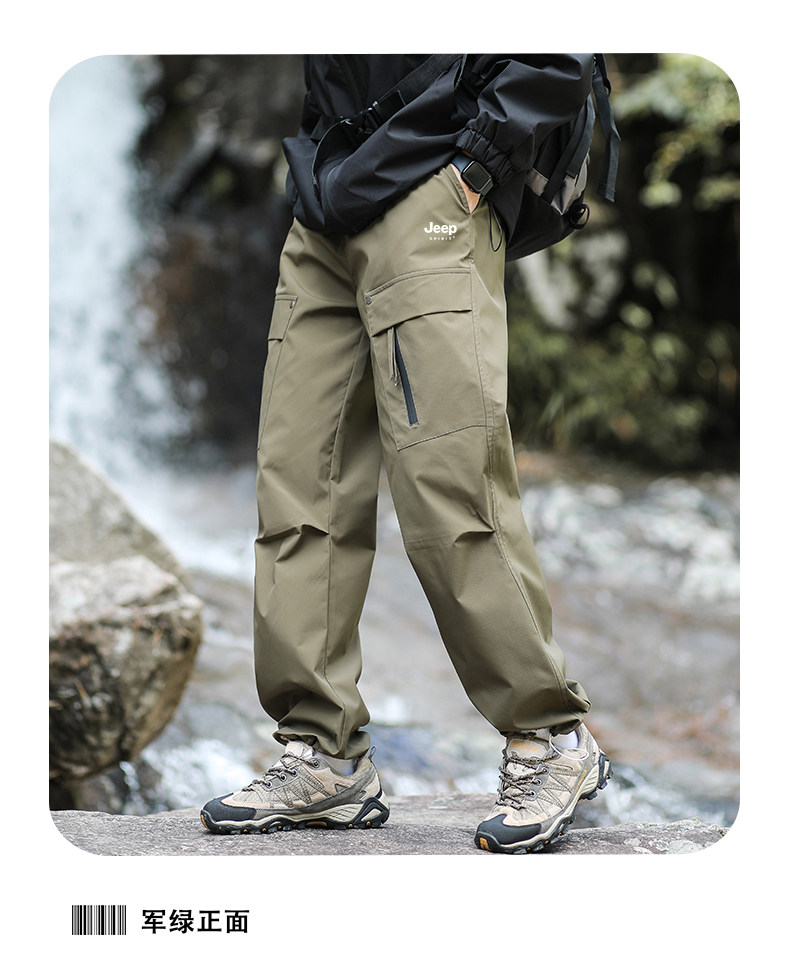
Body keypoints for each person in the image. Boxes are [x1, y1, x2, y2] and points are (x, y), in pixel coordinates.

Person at [200, 54, 612, 853]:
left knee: (448, 483)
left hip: (433, 184)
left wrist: (476, 164)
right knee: (297, 487)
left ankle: (550, 738)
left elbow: (556, 51)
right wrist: (315, 158)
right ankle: (323, 755)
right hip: (324, 200)